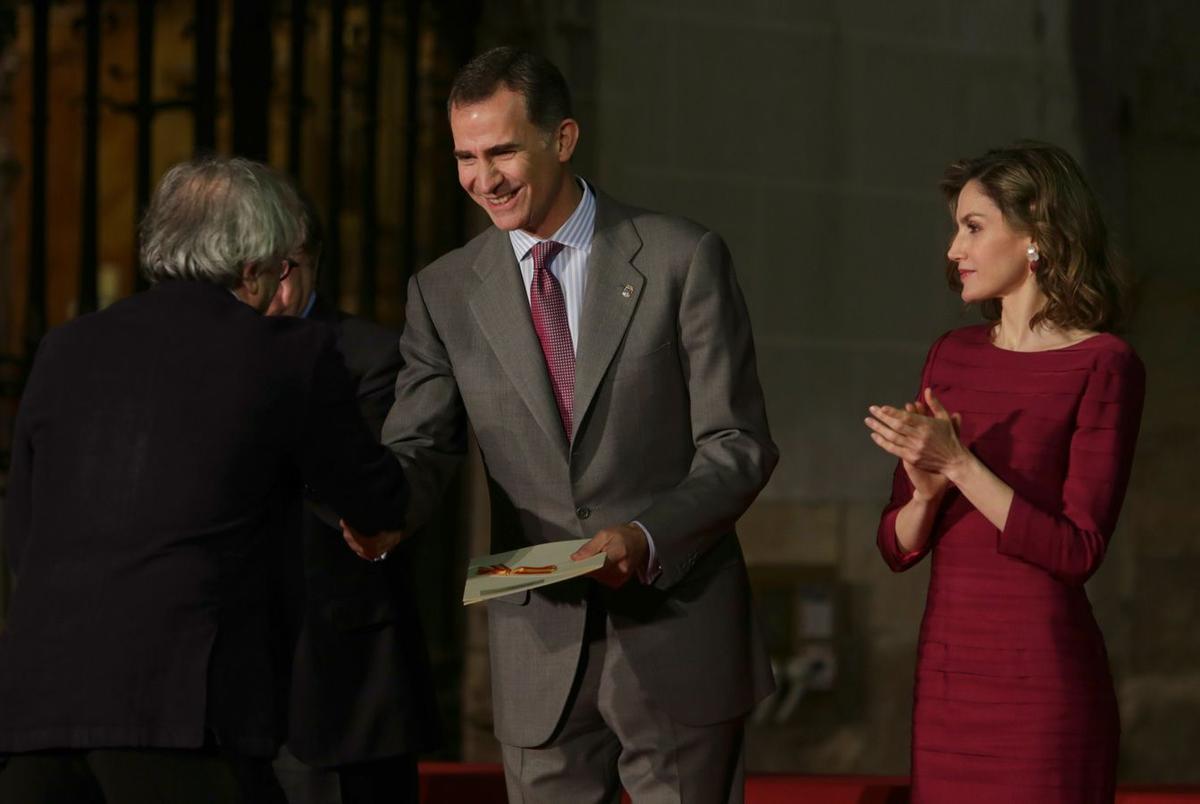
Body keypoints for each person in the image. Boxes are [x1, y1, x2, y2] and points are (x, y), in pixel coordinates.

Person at [366, 47, 778, 803]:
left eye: (502, 152)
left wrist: (646, 537)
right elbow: (420, 445)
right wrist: (381, 512)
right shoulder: (445, 291)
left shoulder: (684, 257)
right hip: (538, 646)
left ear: (562, 139)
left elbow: (739, 445)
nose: (482, 179)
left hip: (677, 628)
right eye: (465, 156)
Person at [0, 157, 405, 804]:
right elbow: (376, 498)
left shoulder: (65, 348)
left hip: (37, 711)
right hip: (183, 710)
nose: (281, 290)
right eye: (280, 269)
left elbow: (23, 531)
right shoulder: (286, 355)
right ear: (251, 270)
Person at [865, 142, 1144, 804]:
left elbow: (1077, 552)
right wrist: (927, 495)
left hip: (1043, 689)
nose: (953, 250)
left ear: (1038, 234)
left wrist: (960, 466)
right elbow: (896, 546)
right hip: (949, 682)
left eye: (973, 226)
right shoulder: (952, 356)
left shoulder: (1104, 365)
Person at [266, 193, 440, 804]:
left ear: (309, 263)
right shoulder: (208, 358)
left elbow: (370, 495)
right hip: (234, 679)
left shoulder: (371, 355)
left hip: (341, 682)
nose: (266, 285)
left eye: (281, 265)